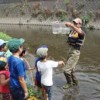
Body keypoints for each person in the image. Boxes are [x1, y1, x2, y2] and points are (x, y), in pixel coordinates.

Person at [63, 18, 85, 89]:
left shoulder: (81, 33)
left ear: (80, 24)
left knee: (66, 70)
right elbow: (66, 33)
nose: (74, 24)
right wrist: (63, 26)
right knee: (71, 69)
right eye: (74, 23)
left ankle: (69, 83)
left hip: (75, 52)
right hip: (70, 51)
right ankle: (75, 82)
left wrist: (71, 25)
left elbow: (80, 32)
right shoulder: (72, 32)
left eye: (76, 23)